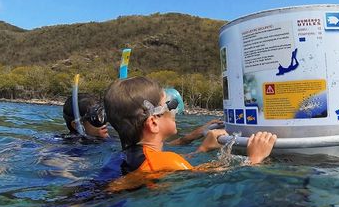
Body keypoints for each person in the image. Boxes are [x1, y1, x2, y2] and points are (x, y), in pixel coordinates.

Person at [104, 76, 276, 177]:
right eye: (170, 105)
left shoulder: (125, 157)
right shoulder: (167, 160)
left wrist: (202, 148)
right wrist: (254, 159)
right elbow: (203, 175)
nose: (175, 110)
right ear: (153, 123)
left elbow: (182, 168)